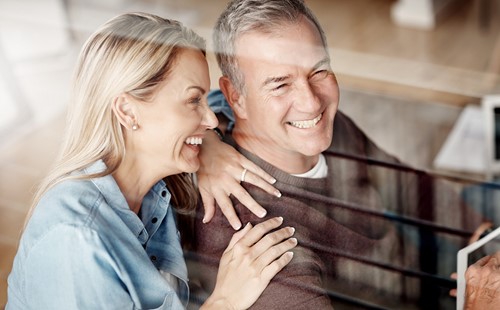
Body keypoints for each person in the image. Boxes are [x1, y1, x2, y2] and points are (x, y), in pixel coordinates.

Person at [185, 0, 492, 309]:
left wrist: (485, 237)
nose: (311, 102)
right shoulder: (257, 243)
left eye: (318, 70)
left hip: (418, 280)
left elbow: (408, 185)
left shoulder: (327, 130)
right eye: (280, 85)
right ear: (235, 96)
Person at [6, 12, 297, 310]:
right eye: (193, 101)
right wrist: (225, 301)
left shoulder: (153, 188)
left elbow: (224, 101)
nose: (210, 117)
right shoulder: (77, 240)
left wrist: (209, 144)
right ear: (129, 112)